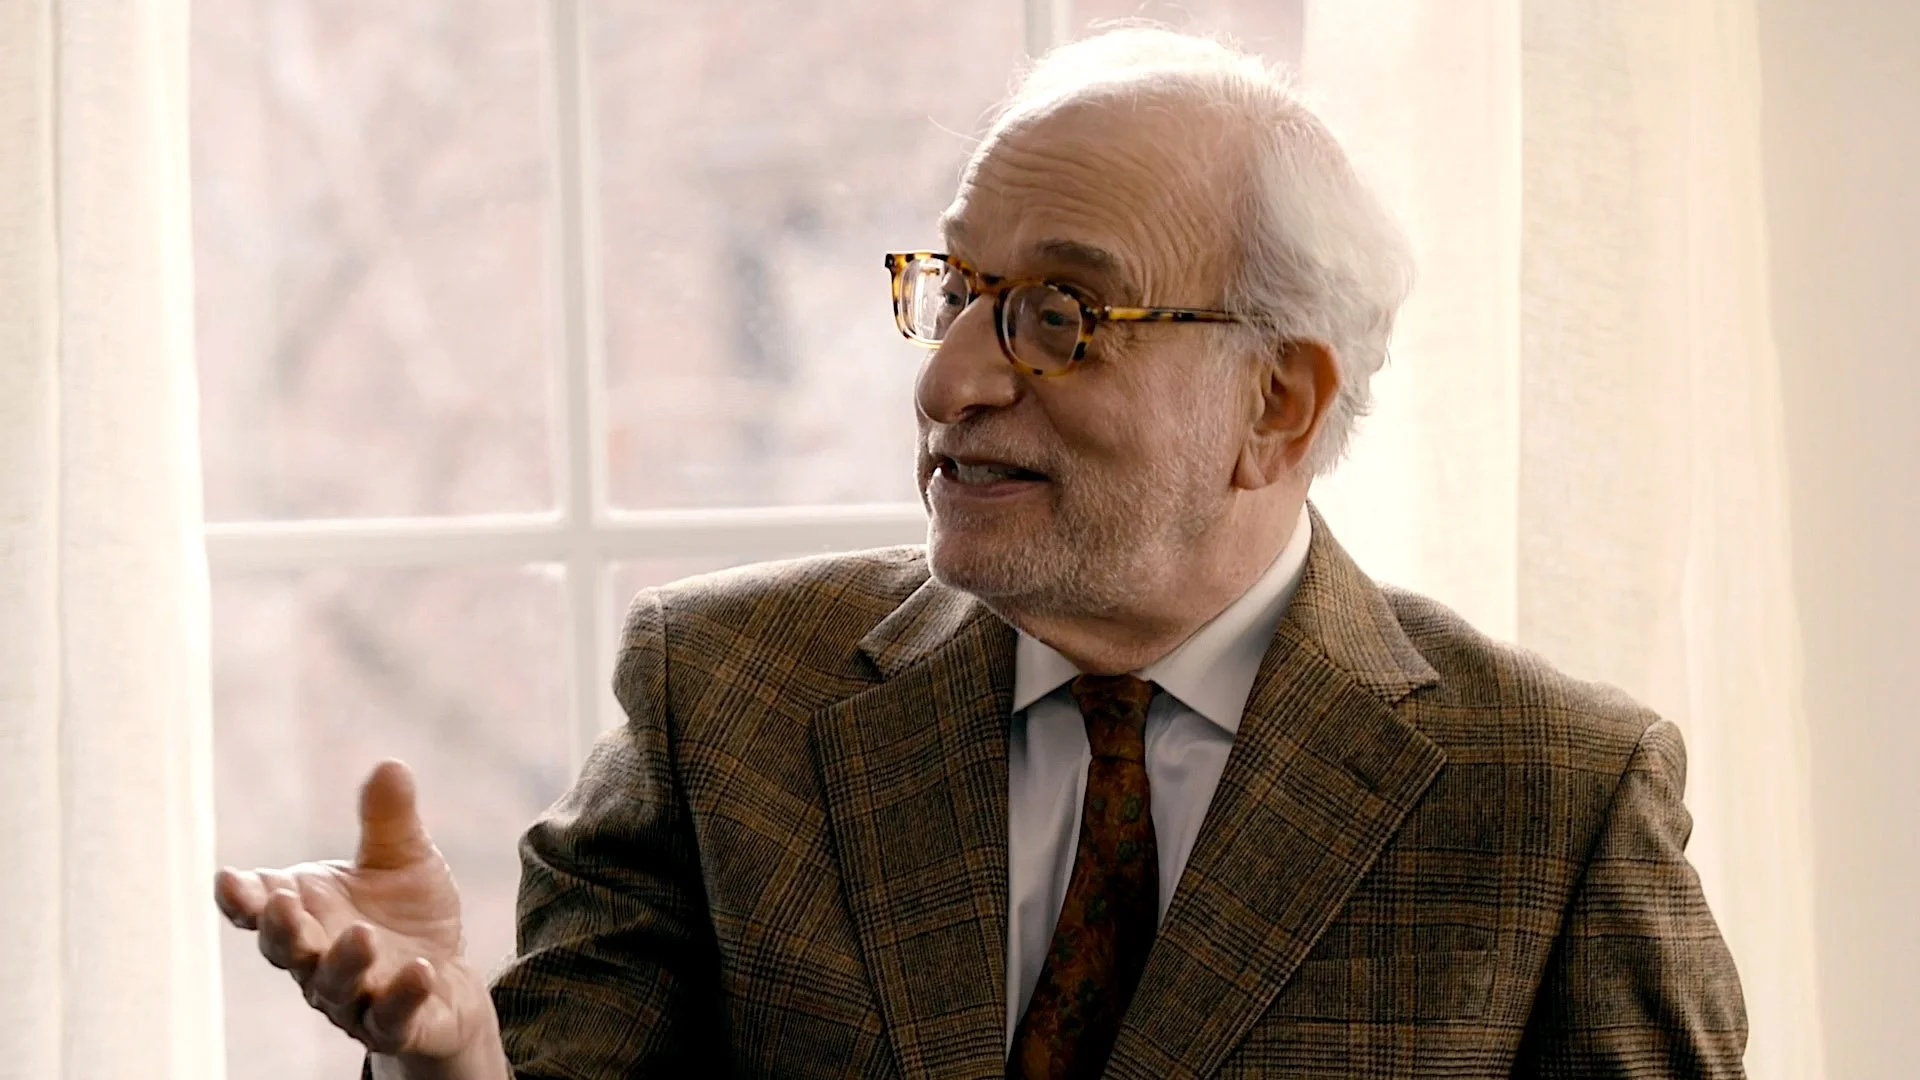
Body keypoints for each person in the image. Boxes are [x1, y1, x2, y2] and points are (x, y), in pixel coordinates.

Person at [213, 27, 1748, 1080]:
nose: (949, 379)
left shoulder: (1555, 798)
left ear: (1277, 403)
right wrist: (457, 1056)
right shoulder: (721, 698)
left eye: (1060, 316)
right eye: (953, 294)